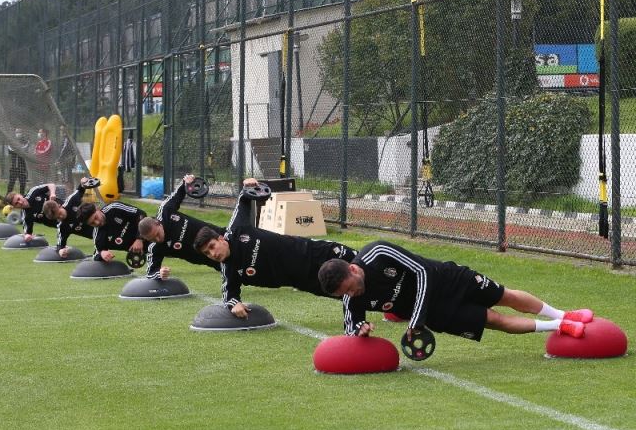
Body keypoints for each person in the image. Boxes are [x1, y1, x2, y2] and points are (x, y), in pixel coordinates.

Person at [317, 240, 594, 342]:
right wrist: (360, 332)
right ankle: (560, 326)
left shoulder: (377, 252)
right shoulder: (349, 296)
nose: (351, 296)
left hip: (446, 279)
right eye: (345, 295)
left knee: (503, 295)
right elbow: (350, 327)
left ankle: (562, 312)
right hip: (439, 313)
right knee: (494, 320)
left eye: (350, 290)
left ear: (353, 270)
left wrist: (415, 320)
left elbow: (422, 271)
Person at [193, 179, 357, 318]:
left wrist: (248, 184)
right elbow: (229, 296)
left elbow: (243, 198)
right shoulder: (229, 270)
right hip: (304, 280)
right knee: (351, 293)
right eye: (207, 253)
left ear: (220, 238)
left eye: (212, 246)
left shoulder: (237, 230)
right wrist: (234, 305)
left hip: (312, 251)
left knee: (361, 263)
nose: (212, 253)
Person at [137, 174, 224, 280]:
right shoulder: (155, 248)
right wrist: (159, 273)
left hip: (217, 235)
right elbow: (150, 273)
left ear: (157, 223)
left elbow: (180, 191)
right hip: (208, 258)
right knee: (234, 271)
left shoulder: (165, 211)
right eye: (152, 239)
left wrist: (187, 180)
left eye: (157, 234)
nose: (158, 239)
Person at [41, 177, 99, 257]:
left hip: (100, 221)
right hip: (97, 235)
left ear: (59, 205)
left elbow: (81, 189)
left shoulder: (71, 200)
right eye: (58, 218)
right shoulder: (62, 226)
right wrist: (61, 251)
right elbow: (60, 244)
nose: (61, 217)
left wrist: (83, 182)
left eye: (60, 213)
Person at [76, 200, 146, 262]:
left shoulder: (114, 208)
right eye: (92, 223)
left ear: (97, 209)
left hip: (153, 233)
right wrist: (102, 254)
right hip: (146, 251)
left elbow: (141, 214)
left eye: (95, 217)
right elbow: (96, 255)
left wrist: (139, 239)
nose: (97, 222)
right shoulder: (98, 236)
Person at [7, 128, 30, 194]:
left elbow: (24, 150)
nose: (18, 133)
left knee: (22, 184)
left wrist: (17, 149)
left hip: (22, 167)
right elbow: (10, 150)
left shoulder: (26, 142)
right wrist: (18, 150)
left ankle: (22, 197)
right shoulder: (11, 141)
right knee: (10, 184)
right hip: (13, 167)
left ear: (22, 133)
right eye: (17, 132)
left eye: (19, 132)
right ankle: (7, 198)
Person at [57, 125, 76, 192]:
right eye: (60, 130)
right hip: (66, 161)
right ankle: (68, 191)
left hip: (66, 162)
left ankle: (69, 192)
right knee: (66, 177)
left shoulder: (67, 139)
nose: (61, 132)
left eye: (62, 130)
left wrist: (59, 159)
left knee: (67, 177)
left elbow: (64, 149)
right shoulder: (64, 139)